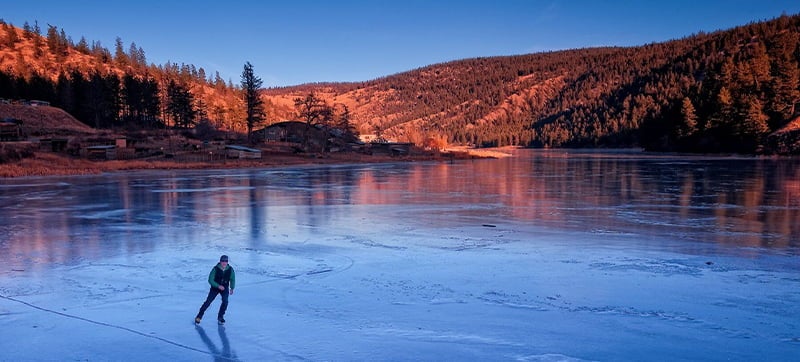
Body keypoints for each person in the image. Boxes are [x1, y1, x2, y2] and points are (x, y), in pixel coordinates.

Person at [195, 255, 236, 325]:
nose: (224, 263)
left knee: (225, 301)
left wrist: (232, 288)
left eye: (226, 261)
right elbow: (210, 280)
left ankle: (220, 317)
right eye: (223, 261)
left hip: (225, 287)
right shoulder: (215, 269)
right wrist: (218, 286)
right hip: (215, 288)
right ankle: (199, 316)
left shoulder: (230, 269)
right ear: (220, 262)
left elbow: (232, 279)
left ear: (227, 262)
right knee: (208, 302)